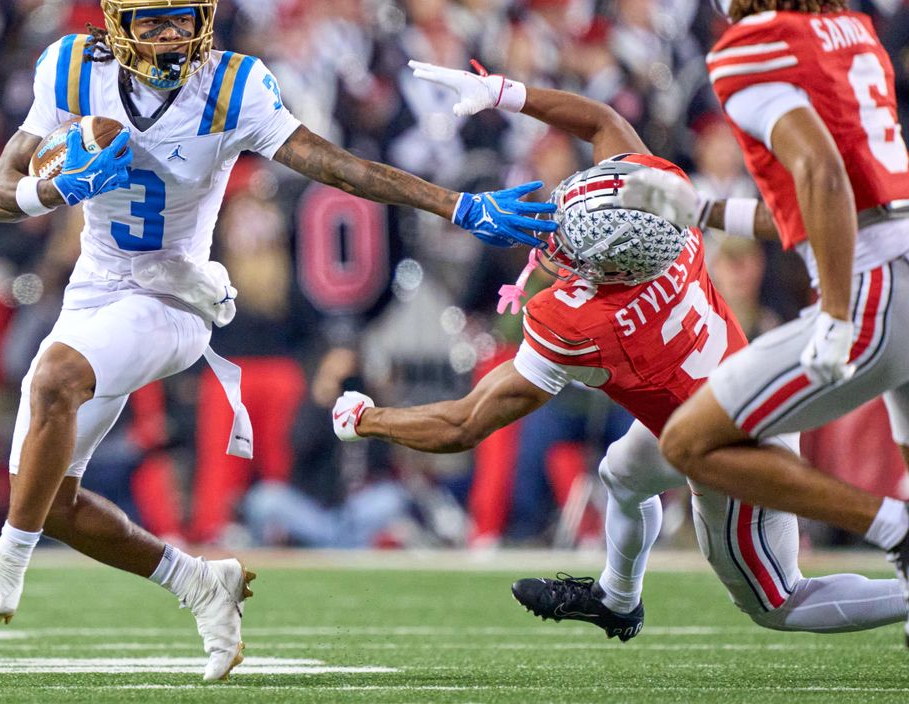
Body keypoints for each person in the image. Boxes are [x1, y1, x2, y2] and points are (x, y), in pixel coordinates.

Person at [0, 0, 555, 681]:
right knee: (48, 496)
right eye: (155, 22)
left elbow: (340, 166)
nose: (173, 36)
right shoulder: (70, 69)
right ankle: (198, 582)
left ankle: (3, 570)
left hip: (175, 296)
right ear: (115, 24)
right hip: (94, 289)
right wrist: (54, 189)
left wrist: (459, 205)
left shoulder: (231, 85)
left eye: (185, 19)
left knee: (54, 380)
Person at [332, 59, 907, 641]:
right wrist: (504, 92)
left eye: (574, 229)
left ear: (606, 259)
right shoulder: (670, 220)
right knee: (623, 475)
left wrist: (368, 420)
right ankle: (616, 599)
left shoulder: (581, 322)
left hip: (731, 443)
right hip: (731, 388)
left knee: (779, 602)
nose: (558, 229)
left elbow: (463, 424)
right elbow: (602, 119)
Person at [620, 0, 909, 630]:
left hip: (878, 291)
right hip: (896, 258)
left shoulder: (752, 44)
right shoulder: (852, 33)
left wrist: (839, 314)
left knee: (690, 442)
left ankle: (895, 527)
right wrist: (704, 211)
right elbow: (827, 206)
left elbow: (822, 172)